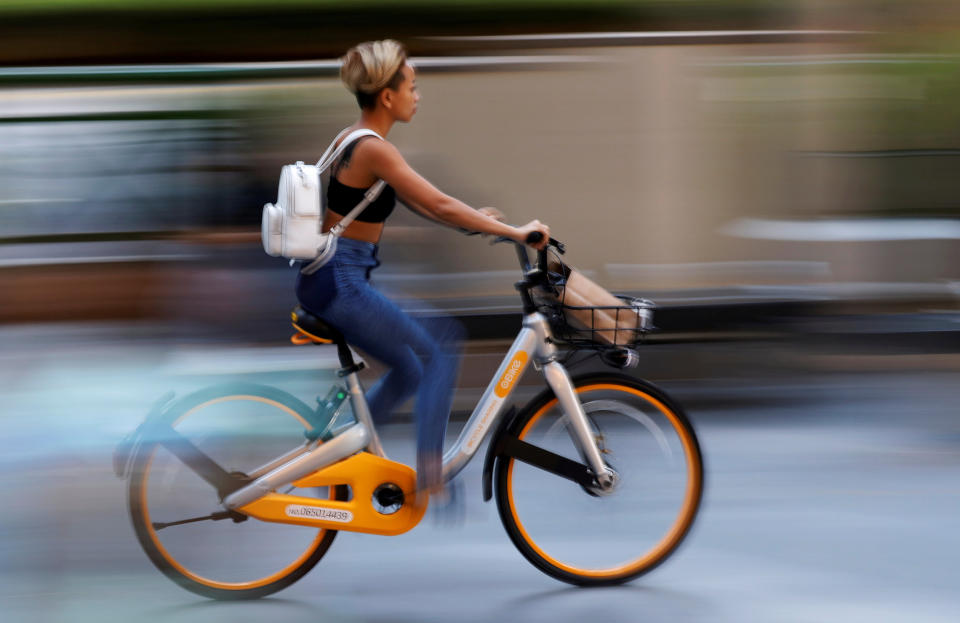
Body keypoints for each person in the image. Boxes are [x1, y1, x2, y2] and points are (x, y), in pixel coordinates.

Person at [295, 39, 550, 500]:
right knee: (443, 345)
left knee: (411, 368)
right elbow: (437, 202)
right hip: (341, 283)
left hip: (327, 278)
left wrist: (481, 223)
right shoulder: (373, 148)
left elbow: (425, 205)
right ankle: (431, 474)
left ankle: (345, 454)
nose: (418, 95)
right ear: (388, 96)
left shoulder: (351, 140)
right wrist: (517, 232)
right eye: (412, 86)